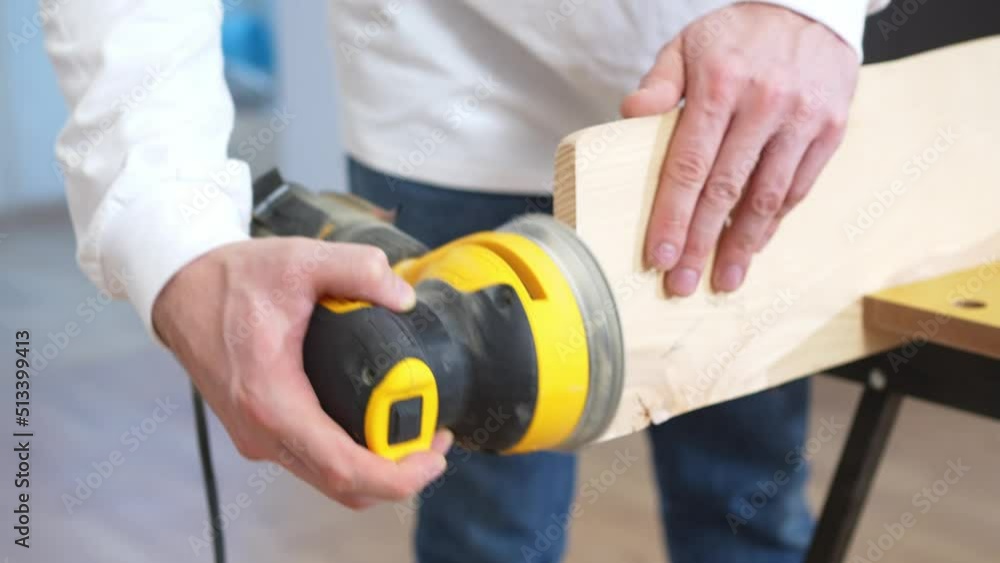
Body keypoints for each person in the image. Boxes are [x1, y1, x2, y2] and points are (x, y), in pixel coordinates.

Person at [45, 0, 889, 561]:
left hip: (729, 103)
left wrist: (810, 8)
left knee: (744, 499)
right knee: (489, 526)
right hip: (447, 92)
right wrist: (171, 236)